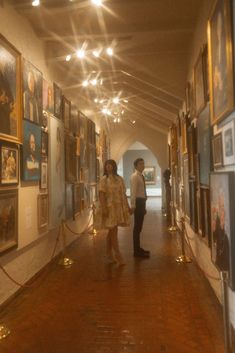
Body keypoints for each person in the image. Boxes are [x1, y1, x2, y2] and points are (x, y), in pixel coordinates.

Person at [98, 159, 131, 266]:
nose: (109, 167)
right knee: (113, 231)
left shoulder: (119, 179)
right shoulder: (104, 180)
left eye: (110, 165)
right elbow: (101, 194)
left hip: (118, 208)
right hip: (109, 207)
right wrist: (104, 208)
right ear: (105, 167)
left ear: (114, 166)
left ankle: (109, 254)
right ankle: (118, 255)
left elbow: (124, 194)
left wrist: (128, 207)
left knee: (112, 231)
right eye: (107, 165)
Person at [130, 158, 150, 257]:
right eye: (141, 164)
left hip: (141, 202)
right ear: (136, 166)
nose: (143, 165)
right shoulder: (135, 177)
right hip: (138, 203)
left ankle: (138, 248)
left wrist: (144, 205)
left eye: (143, 163)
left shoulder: (140, 176)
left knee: (139, 227)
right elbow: (133, 192)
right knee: (137, 228)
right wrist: (133, 205)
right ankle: (136, 251)